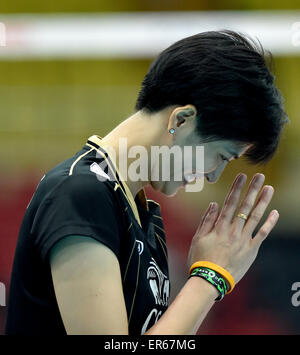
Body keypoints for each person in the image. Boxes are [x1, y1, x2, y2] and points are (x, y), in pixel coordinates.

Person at [5, 30, 288, 335]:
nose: (212, 175)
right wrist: (210, 276)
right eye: (221, 156)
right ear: (181, 120)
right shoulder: (79, 195)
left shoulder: (138, 213)